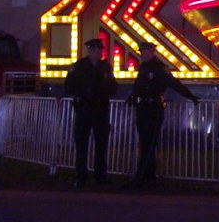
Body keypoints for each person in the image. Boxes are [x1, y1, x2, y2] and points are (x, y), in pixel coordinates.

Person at [123, 41, 198, 190]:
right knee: (145, 143)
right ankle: (149, 177)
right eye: (141, 51)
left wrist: (190, 96)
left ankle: (140, 178)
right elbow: (139, 86)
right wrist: (133, 96)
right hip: (143, 108)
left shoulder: (159, 68)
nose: (142, 54)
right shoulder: (144, 67)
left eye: (144, 51)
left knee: (148, 144)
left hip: (153, 109)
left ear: (152, 51)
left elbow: (174, 83)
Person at [64, 37, 118, 188]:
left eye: (101, 50)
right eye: (97, 50)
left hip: (100, 110)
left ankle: (100, 177)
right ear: (90, 50)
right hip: (84, 110)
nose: (100, 53)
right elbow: (69, 86)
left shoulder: (105, 67)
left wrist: (104, 90)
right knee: (82, 144)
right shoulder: (79, 66)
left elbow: (113, 88)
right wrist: (85, 93)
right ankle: (81, 176)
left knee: (101, 144)